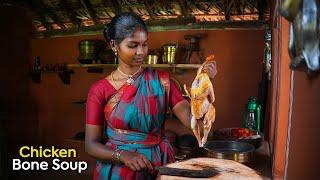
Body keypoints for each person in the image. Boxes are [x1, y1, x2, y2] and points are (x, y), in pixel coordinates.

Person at [85, 12, 217, 180]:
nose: (141, 52)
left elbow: (194, 121)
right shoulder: (99, 90)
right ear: (114, 45)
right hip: (117, 171)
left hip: (158, 166)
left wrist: (204, 86)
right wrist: (123, 156)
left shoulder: (162, 81)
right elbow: (91, 145)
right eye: (132, 45)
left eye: (144, 44)